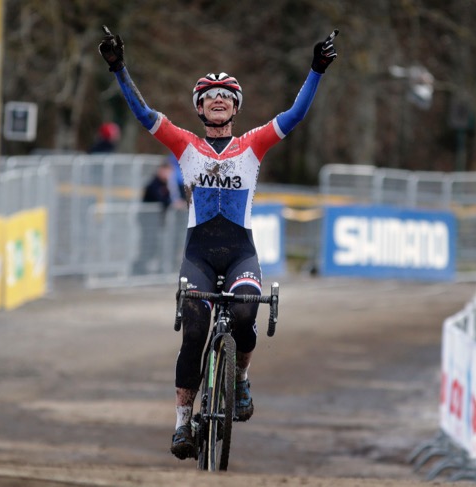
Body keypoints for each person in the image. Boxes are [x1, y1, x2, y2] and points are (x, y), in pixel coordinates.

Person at [98, 25, 338, 460]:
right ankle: (181, 423)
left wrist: (315, 70)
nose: (219, 99)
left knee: (246, 314)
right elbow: (143, 112)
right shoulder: (185, 145)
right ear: (200, 108)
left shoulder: (252, 145)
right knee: (193, 331)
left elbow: (296, 115)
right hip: (199, 254)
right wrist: (120, 69)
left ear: (235, 107)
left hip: (240, 249)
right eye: (210, 96)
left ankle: (240, 380)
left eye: (226, 95)